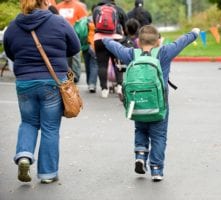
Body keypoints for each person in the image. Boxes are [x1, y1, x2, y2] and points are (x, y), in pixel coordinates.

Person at [101, 25, 200, 181]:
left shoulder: (131, 54)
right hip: (159, 104)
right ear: (158, 41)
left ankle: (140, 155)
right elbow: (182, 41)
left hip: (138, 103)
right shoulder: (164, 52)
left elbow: (114, 46)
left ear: (138, 42)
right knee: (159, 136)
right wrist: (194, 33)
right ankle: (156, 170)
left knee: (140, 129)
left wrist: (105, 38)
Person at [3, 0, 80, 183]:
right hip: (52, 82)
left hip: (24, 82)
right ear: (45, 1)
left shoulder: (13, 26)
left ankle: (24, 155)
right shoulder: (58, 22)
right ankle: (47, 173)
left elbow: (10, 52)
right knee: (50, 128)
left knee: (28, 122)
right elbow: (75, 47)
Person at [93, 0, 128, 98]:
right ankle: (119, 86)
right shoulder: (119, 9)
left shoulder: (96, 9)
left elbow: (96, 25)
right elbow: (126, 26)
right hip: (116, 39)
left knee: (102, 65)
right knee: (118, 63)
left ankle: (104, 89)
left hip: (100, 39)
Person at [56, 0, 88, 82]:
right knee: (63, 56)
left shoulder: (78, 6)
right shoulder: (58, 6)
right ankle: (65, 75)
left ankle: (75, 76)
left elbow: (84, 22)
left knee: (75, 56)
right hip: (61, 35)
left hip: (74, 35)